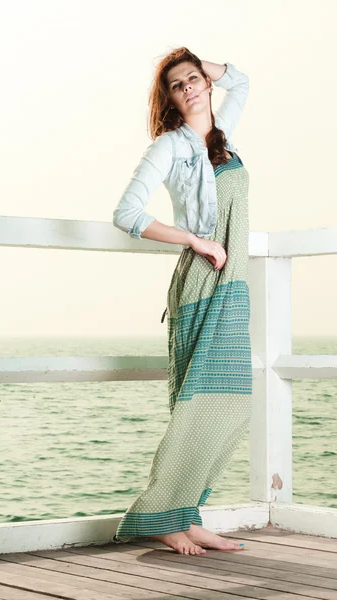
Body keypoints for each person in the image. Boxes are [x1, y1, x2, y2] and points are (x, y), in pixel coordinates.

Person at [112, 46, 252, 556]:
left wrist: (195, 59)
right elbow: (127, 213)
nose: (190, 87)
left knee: (230, 406)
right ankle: (162, 517)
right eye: (177, 84)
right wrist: (195, 240)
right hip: (201, 281)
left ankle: (187, 516)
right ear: (168, 98)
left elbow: (242, 80)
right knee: (196, 405)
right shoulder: (171, 146)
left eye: (194, 79)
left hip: (231, 287)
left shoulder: (224, 134)